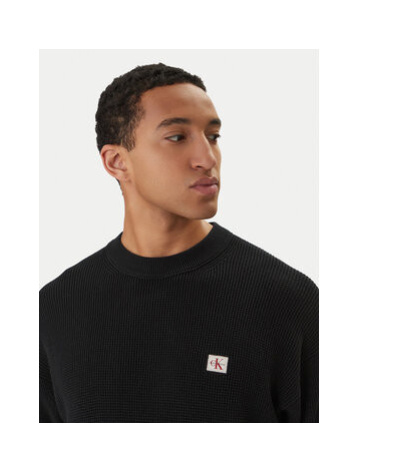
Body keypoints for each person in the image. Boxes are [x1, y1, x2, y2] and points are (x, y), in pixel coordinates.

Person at [39, 63, 319, 423]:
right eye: (177, 137)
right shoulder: (56, 310)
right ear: (117, 161)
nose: (207, 159)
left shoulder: (287, 301)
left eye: (213, 136)